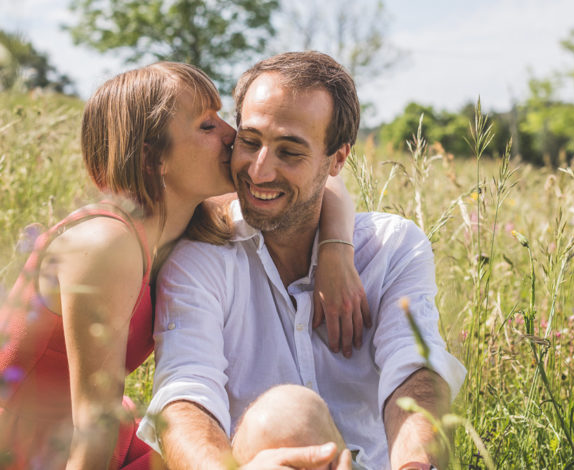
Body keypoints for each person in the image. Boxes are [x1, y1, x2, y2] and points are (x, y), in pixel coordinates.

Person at [0, 61, 367, 470]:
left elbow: (322, 180)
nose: (233, 134)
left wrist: (336, 250)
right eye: (206, 126)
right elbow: (93, 431)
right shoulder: (107, 244)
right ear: (153, 158)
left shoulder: (184, 221)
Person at [137, 51, 466, 470]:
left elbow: (415, 369)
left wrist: (415, 465)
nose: (258, 171)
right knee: (288, 415)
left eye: (290, 152)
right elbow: (184, 396)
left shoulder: (392, 248)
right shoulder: (200, 260)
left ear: (337, 160)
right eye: (250, 141)